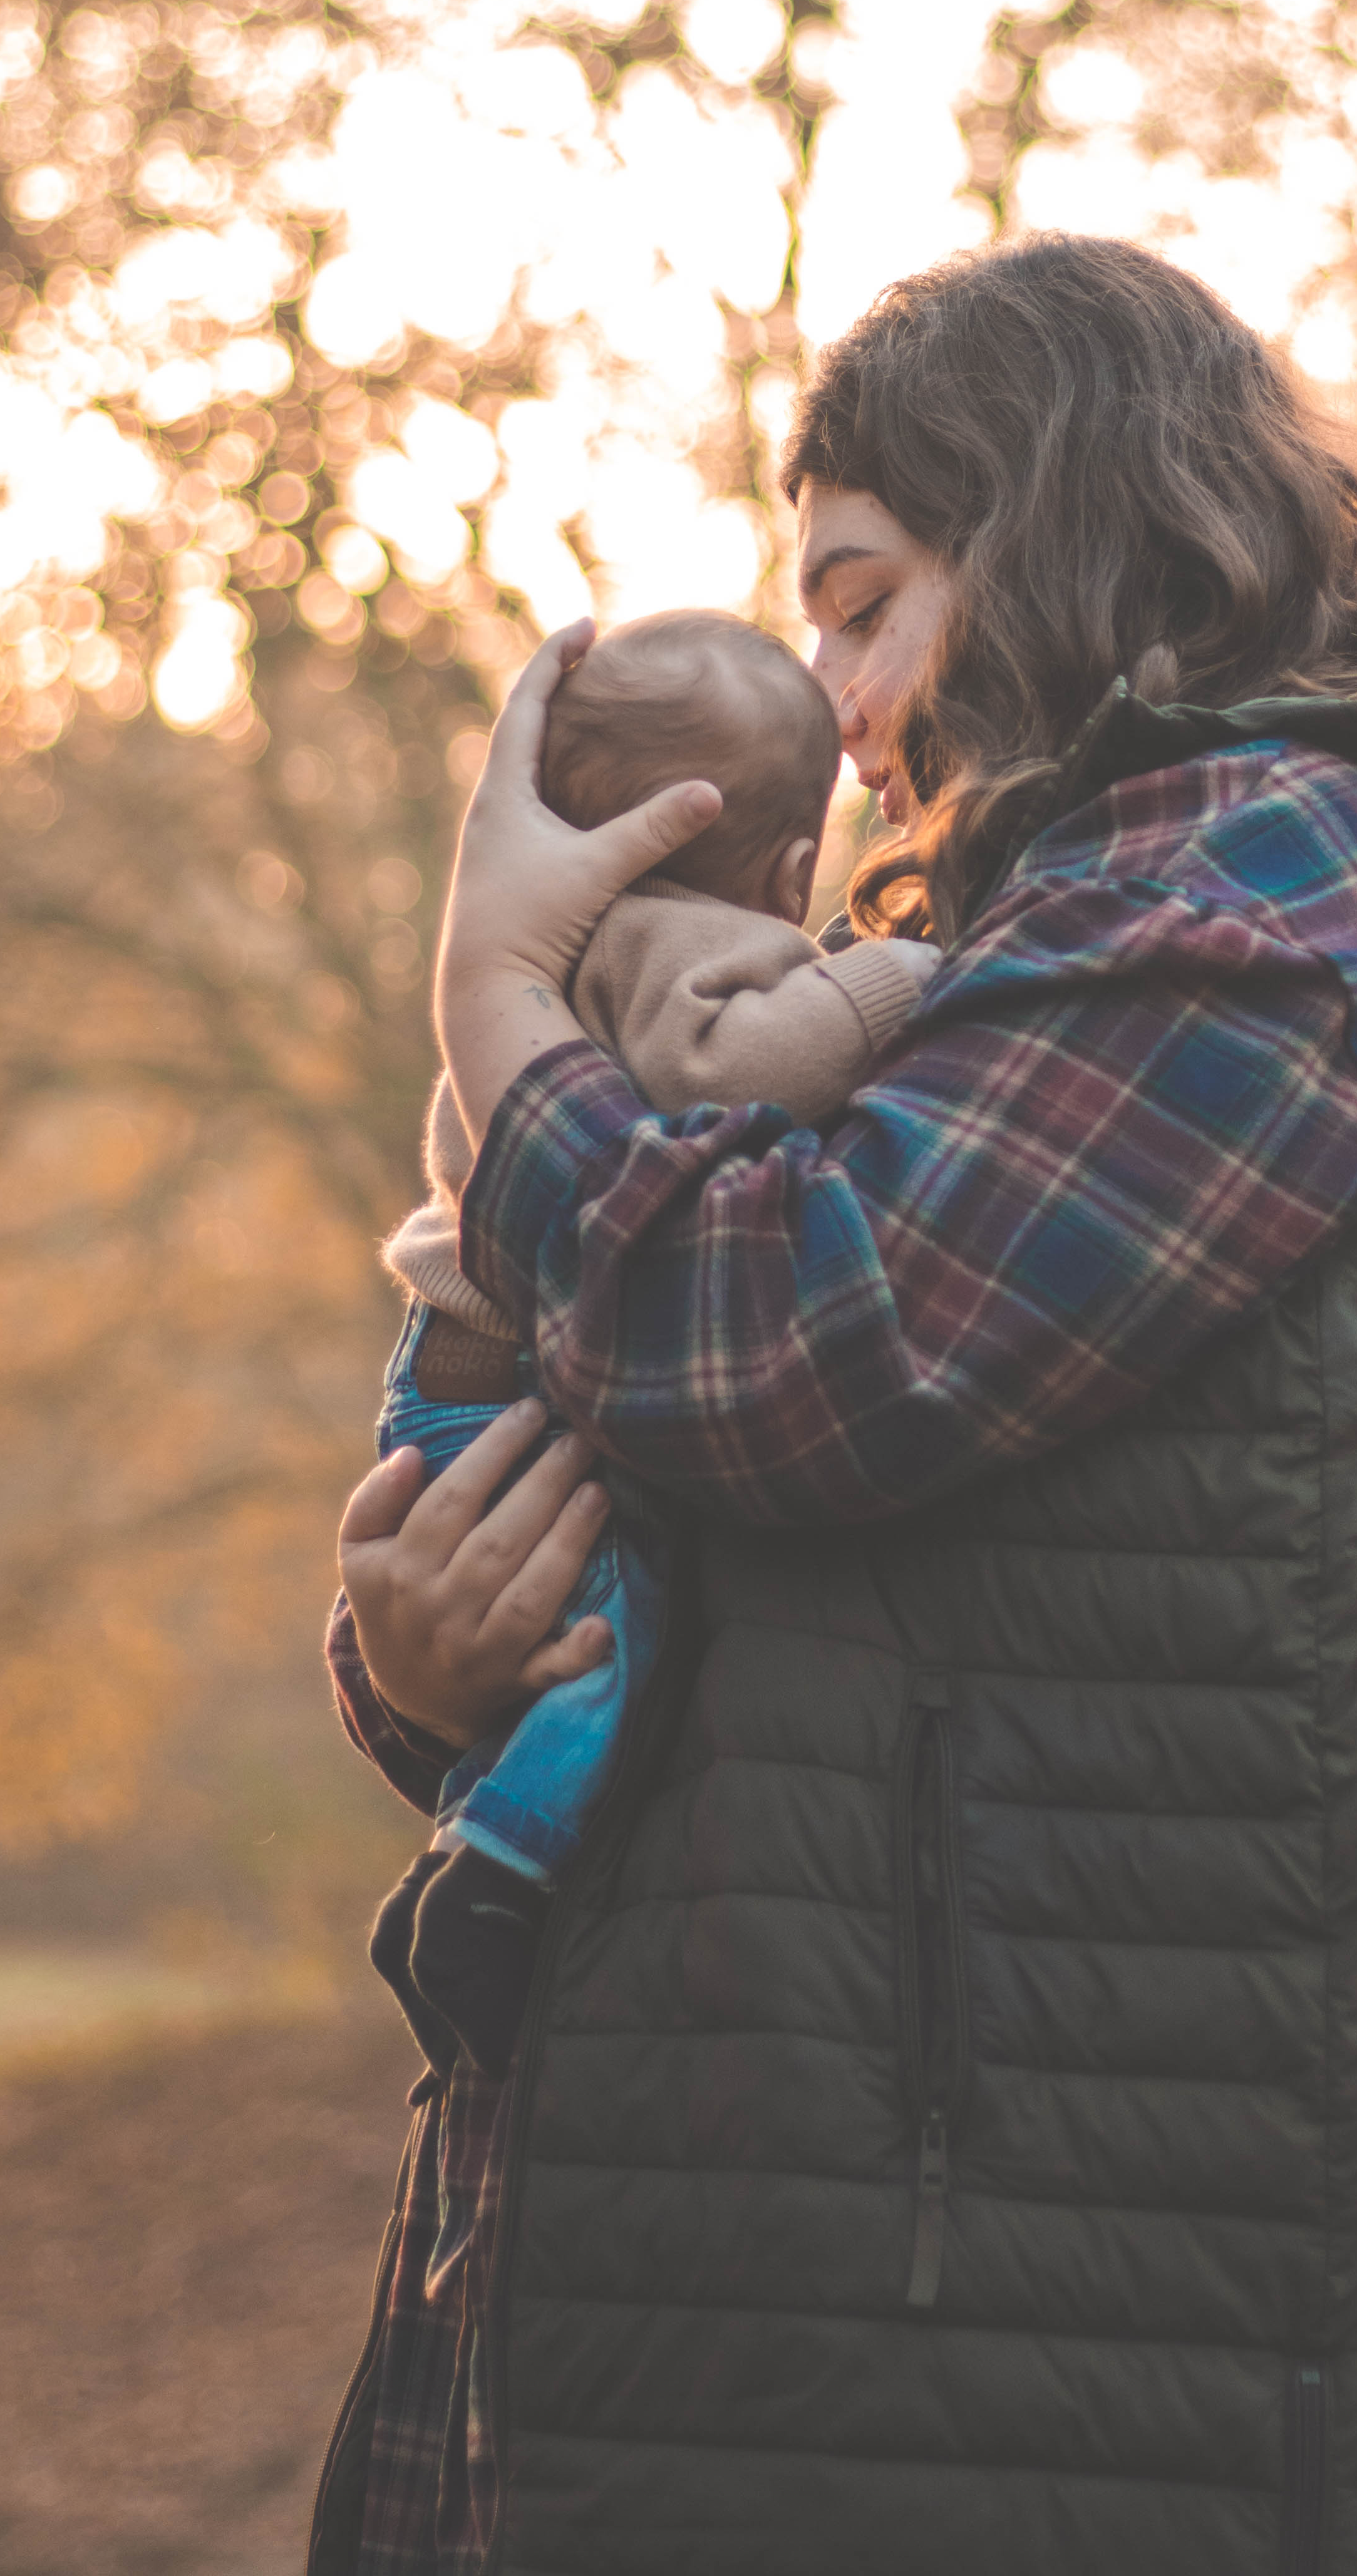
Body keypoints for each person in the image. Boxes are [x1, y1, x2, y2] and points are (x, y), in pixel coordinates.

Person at [315, 233, 1357, 2576]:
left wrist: (502, 998)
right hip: (888, 2309)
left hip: (1092, 2352)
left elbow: (785, 1352)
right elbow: (769, 1548)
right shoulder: (1037, 948)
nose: (832, 710)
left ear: (1050, 521)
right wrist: (437, 1666)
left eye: (864, 604)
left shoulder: (1283, 892)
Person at [370, 607, 940, 2073]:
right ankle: (492, 1863)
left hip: (450, 1379)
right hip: (499, 1391)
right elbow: (728, 1068)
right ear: (789, 871)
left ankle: (481, 1827)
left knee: (582, 1628)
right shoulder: (688, 945)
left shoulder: (559, 943)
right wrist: (892, 979)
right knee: (603, 1646)